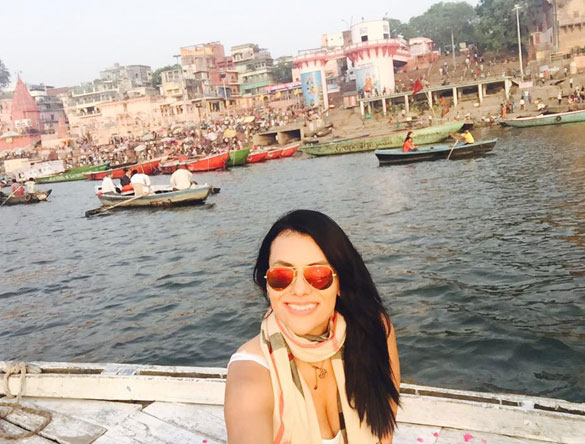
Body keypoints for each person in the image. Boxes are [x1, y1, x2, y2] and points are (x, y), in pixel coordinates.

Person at [225, 210, 400, 444]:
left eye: (318, 275)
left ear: (341, 284)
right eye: (281, 275)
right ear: (267, 285)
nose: (299, 290)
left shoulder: (374, 331)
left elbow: (383, 438)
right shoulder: (251, 378)